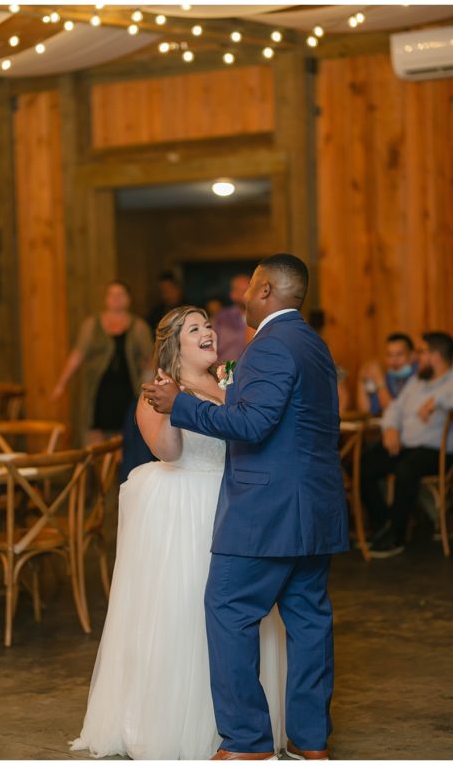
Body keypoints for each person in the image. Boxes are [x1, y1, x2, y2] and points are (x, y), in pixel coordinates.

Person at [142, 254, 348, 760]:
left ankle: (248, 744)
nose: (239, 299)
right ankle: (310, 743)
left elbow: (254, 425)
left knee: (229, 612)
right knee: (308, 623)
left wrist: (182, 406)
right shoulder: (313, 345)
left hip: (267, 512)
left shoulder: (269, 347)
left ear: (265, 292)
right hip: (313, 509)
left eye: (248, 290)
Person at [70, 306, 287, 759]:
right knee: (188, 614)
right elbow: (168, 451)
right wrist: (169, 403)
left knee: (242, 614)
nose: (208, 331)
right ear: (174, 346)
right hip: (187, 506)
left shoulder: (231, 382)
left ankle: (247, 728)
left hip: (238, 502)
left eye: (208, 325)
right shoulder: (157, 390)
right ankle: (183, 725)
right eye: (195, 328)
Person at [360, 332, 453, 559]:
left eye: (422, 352)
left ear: (435, 355)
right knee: (365, 463)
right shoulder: (417, 381)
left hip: (437, 452)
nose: (417, 358)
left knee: (405, 469)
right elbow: (394, 408)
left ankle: (396, 537)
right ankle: (384, 523)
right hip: (405, 446)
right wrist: (390, 429)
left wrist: (439, 400)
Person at [51, 281, 154, 444]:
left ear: (129, 299)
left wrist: (149, 388)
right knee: (95, 438)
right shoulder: (92, 325)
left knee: (126, 439)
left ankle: (119, 468)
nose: (116, 298)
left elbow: (150, 360)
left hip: (128, 391)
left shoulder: (139, 327)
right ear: (106, 299)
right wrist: (61, 384)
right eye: (112, 294)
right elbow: (78, 354)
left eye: (120, 294)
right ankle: (100, 470)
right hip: (98, 392)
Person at [356, 333, 417, 415]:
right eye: (390, 355)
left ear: (411, 355)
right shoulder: (388, 376)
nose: (394, 360)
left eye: (399, 354)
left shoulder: (419, 376)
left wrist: (379, 381)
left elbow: (393, 413)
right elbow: (366, 410)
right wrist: (362, 379)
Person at [213, 273, 252, 363]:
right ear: (233, 294)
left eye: (249, 290)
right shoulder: (221, 317)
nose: (246, 295)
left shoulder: (262, 317)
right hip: (224, 371)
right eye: (242, 291)